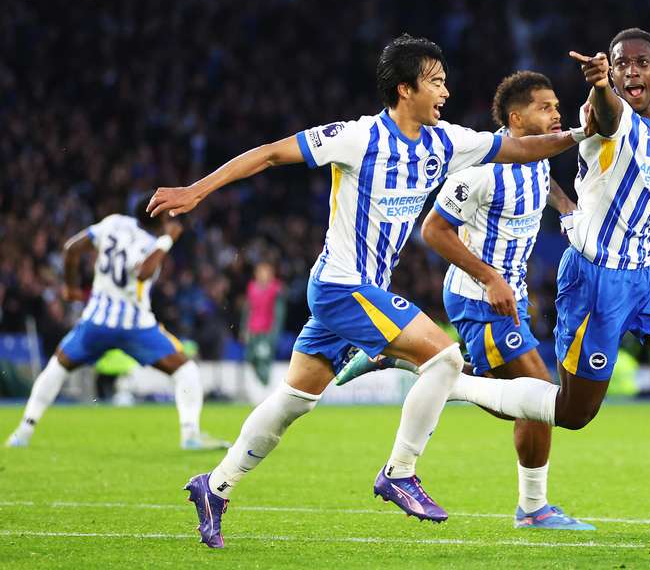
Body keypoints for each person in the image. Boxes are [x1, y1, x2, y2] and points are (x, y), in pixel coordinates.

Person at [342, 28, 650, 545]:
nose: (630, 71)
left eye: (640, 63)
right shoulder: (610, 117)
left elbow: (560, 192)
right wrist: (599, 85)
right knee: (572, 412)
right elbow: (605, 116)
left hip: (645, 270)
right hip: (595, 278)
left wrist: (569, 214)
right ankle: (433, 374)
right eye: (619, 64)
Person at [147, 35, 589, 548]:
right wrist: (194, 191)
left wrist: (588, 130)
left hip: (361, 292)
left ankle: (215, 486)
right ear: (405, 89)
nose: (446, 90)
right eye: (436, 81)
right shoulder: (357, 138)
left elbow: (526, 146)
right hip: (340, 286)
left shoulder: (446, 142)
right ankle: (400, 471)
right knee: (445, 358)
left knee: (295, 401)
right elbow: (270, 155)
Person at [336, 71, 593, 530]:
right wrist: (490, 277)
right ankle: (533, 509)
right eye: (547, 107)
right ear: (517, 118)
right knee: (539, 395)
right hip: (479, 297)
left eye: (558, 106)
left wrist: (568, 209)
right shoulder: (480, 170)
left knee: (518, 400)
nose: (557, 114)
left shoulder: (538, 154)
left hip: (509, 297)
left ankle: (402, 362)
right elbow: (433, 229)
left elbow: (544, 183)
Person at [5, 193, 229, 451]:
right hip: (136, 326)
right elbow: (144, 272)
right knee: (185, 370)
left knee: (57, 366)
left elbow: (71, 249)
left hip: (95, 322)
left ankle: (23, 431)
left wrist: (70, 287)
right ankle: (190, 435)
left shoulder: (113, 223)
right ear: (162, 217)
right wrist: (168, 240)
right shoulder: (150, 243)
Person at [242, 262, 285, 385]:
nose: (262, 275)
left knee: (265, 358)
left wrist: (275, 332)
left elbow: (279, 313)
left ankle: (266, 385)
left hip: (267, 331)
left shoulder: (276, 288)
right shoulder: (251, 287)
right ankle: (263, 383)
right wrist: (244, 329)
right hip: (253, 330)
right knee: (249, 357)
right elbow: (247, 310)